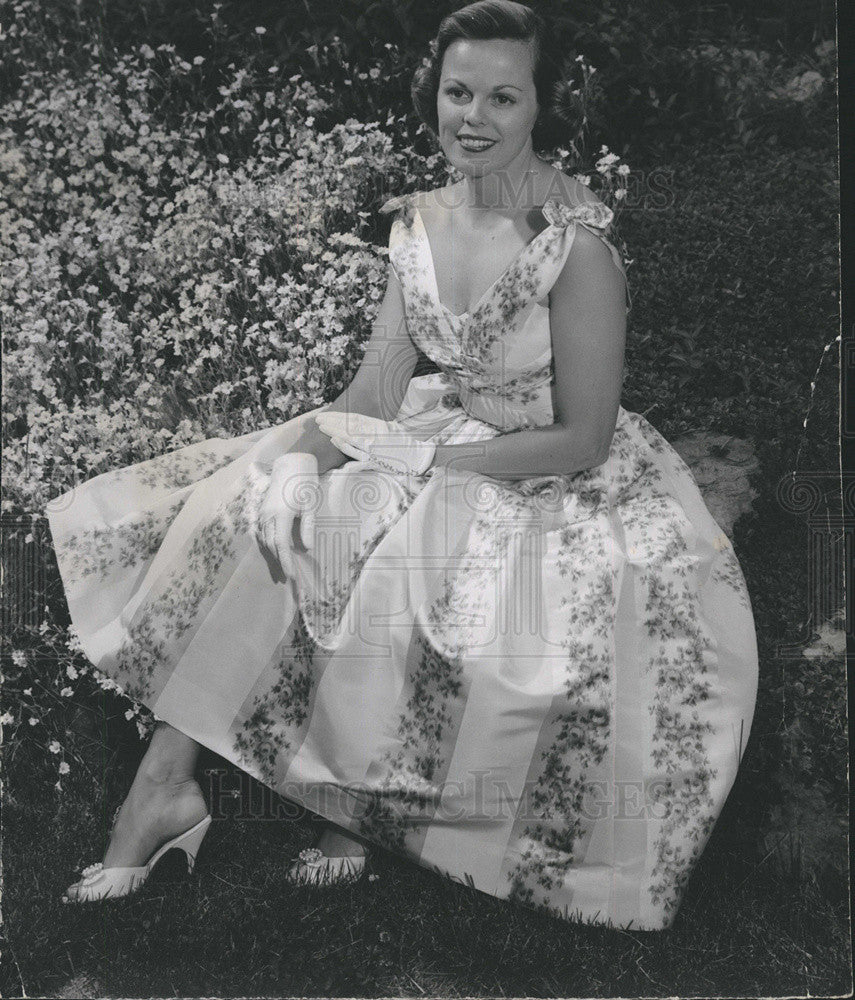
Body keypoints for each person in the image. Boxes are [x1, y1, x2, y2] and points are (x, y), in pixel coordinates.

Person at [44, 0, 759, 930]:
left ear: (542, 107)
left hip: (547, 473)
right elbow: (377, 388)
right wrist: (299, 461)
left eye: (503, 98)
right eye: (457, 92)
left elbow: (581, 436)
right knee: (254, 511)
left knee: (399, 565)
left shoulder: (575, 248)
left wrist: (427, 469)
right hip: (438, 432)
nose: (474, 117)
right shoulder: (419, 223)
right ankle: (165, 787)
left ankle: (349, 812)